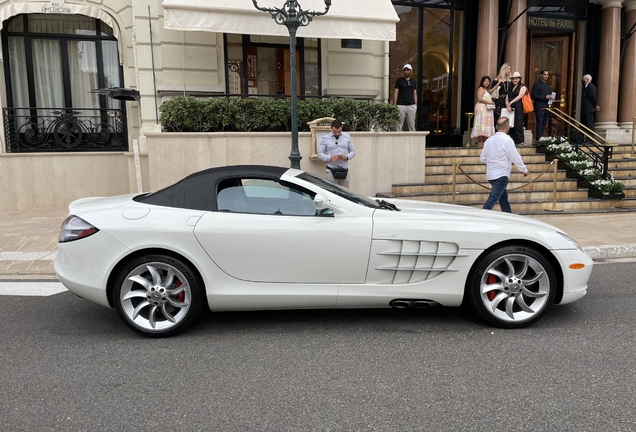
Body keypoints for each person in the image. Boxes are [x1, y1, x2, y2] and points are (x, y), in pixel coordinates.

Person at [480, 117, 529, 213]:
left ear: (497, 127)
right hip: (501, 174)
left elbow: (483, 158)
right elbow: (515, 157)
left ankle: (508, 215)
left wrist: (492, 160)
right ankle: (482, 216)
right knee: (493, 199)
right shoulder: (507, 140)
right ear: (507, 127)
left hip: (491, 174)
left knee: (503, 198)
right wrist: (524, 169)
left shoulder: (489, 140)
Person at [317, 119, 356, 187]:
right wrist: (330, 158)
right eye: (334, 132)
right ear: (331, 128)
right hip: (331, 171)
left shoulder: (347, 137)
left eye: (339, 132)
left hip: (344, 171)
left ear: (342, 128)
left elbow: (353, 152)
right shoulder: (325, 138)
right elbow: (320, 154)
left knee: (345, 194)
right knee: (331, 194)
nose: (337, 134)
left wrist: (347, 157)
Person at [471, 75, 495, 147]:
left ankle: (485, 140)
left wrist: (497, 84)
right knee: (481, 122)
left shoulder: (486, 90)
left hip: (487, 109)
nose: (487, 82)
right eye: (485, 81)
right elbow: (479, 99)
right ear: (482, 82)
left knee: (486, 123)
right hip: (482, 108)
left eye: (488, 81)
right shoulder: (481, 89)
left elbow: (491, 91)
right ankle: (480, 141)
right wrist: (489, 102)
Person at [505, 71, 528, 145]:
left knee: (518, 123)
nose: (514, 80)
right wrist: (507, 104)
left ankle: (520, 141)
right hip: (510, 106)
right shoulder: (510, 87)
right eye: (513, 79)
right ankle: (512, 140)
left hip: (518, 105)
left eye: (516, 79)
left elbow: (520, 96)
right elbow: (507, 97)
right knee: (510, 123)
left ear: (519, 79)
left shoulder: (522, 86)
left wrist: (511, 103)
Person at [531, 69, 554, 139]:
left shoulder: (547, 86)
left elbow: (547, 95)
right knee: (540, 122)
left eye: (547, 75)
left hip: (546, 106)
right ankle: (538, 138)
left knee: (544, 122)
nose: (546, 76)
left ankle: (541, 137)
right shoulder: (537, 85)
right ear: (541, 75)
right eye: (545, 74)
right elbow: (533, 96)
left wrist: (551, 98)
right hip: (539, 107)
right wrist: (545, 97)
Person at [394, 63, 417, 131]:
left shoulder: (413, 81)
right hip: (401, 105)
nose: (406, 71)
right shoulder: (399, 80)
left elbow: (415, 94)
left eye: (407, 70)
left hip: (411, 105)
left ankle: (413, 140)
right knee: (399, 124)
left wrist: (415, 105)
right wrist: (395, 105)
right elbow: (396, 93)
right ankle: (398, 140)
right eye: (404, 70)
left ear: (411, 71)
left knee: (412, 125)